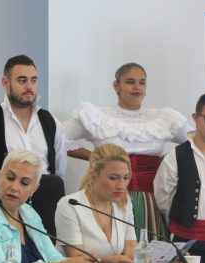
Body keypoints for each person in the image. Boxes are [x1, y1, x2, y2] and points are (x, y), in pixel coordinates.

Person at [63, 62, 192, 238]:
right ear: (116, 85)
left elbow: (197, 144)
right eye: (130, 81)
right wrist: (95, 157)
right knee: (108, 246)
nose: (136, 87)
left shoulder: (163, 118)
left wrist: (169, 162)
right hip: (106, 196)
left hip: (149, 199)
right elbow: (56, 138)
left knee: (147, 253)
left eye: (142, 82)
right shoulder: (98, 115)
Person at [0, 54, 78, 201]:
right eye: (22, 80)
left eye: (33, 80)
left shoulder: (51, 122)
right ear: (5, 82)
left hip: (43, 208)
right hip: (0, 210)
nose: (29, 86)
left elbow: (58, 172)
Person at [0, 149, 97, 263]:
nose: (14, 187)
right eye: (10, 178)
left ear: (34, 189)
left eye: (24, 183)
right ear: (0, 176)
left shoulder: (29, 213)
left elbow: (52, 257)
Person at [154, 93, 205, 263]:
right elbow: (163, 199)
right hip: (185, 242)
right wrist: (184, 217)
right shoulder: (176, 156)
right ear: (196, 118)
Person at [55, 144, 136, 263]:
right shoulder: (70, 204)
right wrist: (111, 261)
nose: (121, 186)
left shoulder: (124, 203)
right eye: (113, 178)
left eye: (126, 178)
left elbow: (131, 248)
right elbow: (76, 258)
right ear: (93, 175)